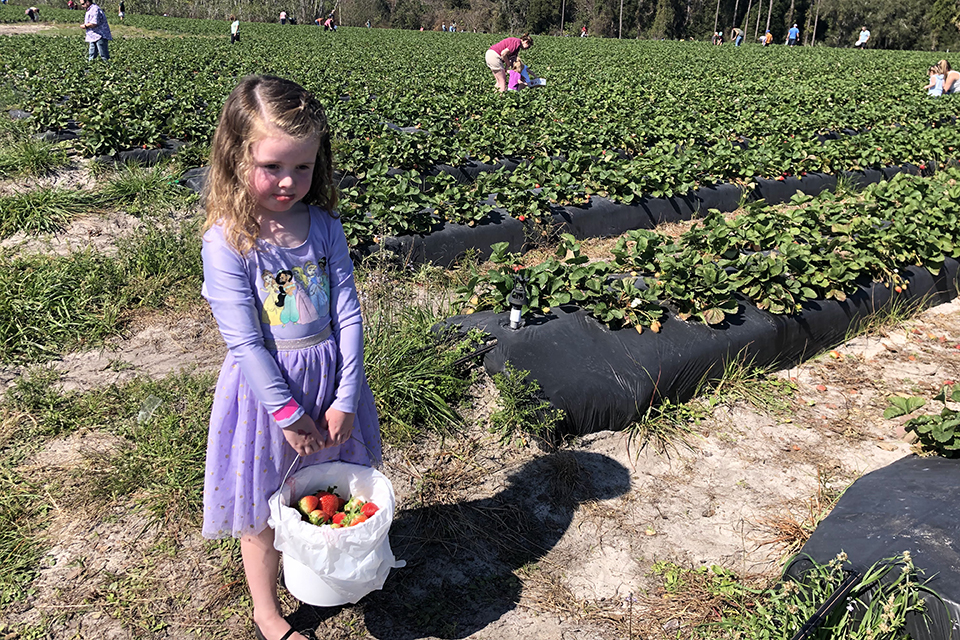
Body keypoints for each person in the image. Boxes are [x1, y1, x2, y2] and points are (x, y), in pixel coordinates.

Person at [200, 74, 382, 640]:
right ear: (236, 157)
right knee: (263, 504)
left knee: (327, 485)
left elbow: (348, 314)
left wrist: (345, 396)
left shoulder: (324, 226)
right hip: (267, 393)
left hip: (329, 381)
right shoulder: (228, 241)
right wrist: (285, 414)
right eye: (273, 166)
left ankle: (324, 568)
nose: (288, 182)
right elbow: (247, 343)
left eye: (303, 168)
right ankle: (267, 610)